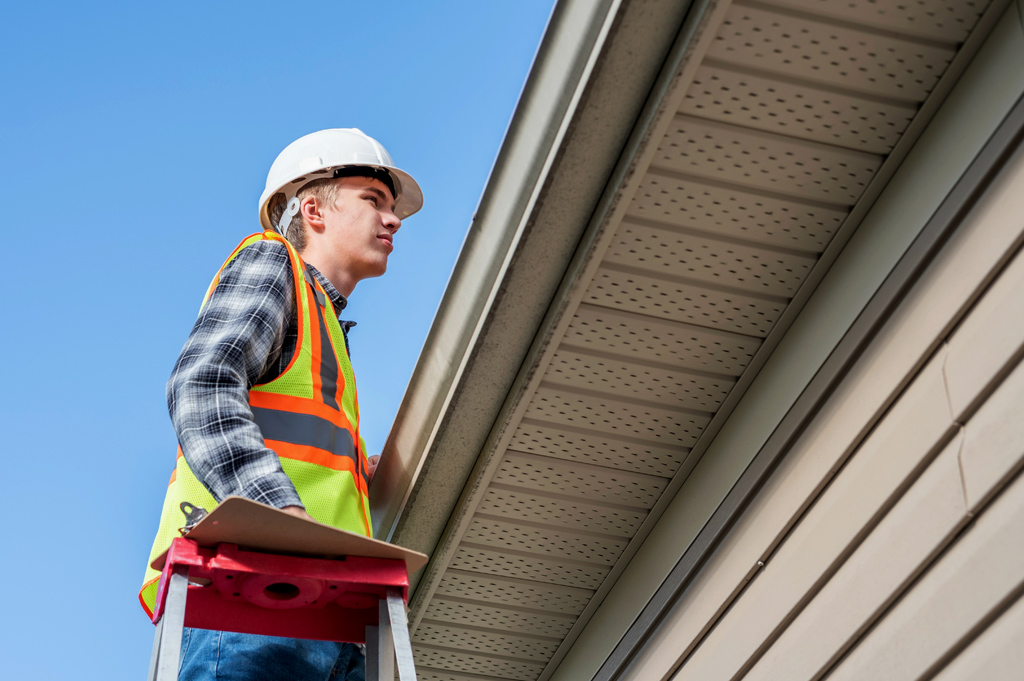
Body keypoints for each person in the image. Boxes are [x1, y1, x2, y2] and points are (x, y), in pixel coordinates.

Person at [139, 128, 423, 680]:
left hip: (324, 613)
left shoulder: (329, 333)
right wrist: (276, 516)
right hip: (252, 593)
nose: (392, 221)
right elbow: (203, 384)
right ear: (313, 209)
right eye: (374, 201)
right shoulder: (273, 262)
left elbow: (303, 443)